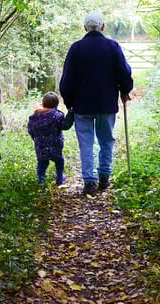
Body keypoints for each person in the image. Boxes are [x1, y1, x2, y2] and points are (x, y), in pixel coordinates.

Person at [59, 12, 133, 196]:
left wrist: (69, 103)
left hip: (81, 105)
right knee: (106, 139)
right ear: (103, 26)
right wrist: (125, 90)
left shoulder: (76, 48)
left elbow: (67, 80)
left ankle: (89, 182)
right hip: (106, 104)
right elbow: (124, 72)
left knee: (86, 143)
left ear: (85, 28)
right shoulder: (112, 46)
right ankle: (104, 177)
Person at [27, 92, 74, 185]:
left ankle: (41, 180)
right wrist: (71, 114)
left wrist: (36, 139)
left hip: (40, 145)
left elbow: (31, 130)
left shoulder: (34, 117)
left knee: (42, 163)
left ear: (43, 103)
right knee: (59, 161)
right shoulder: (57, 116)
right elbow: (65, 125)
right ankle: (59, 178)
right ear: (56, 105)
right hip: (55, 144)